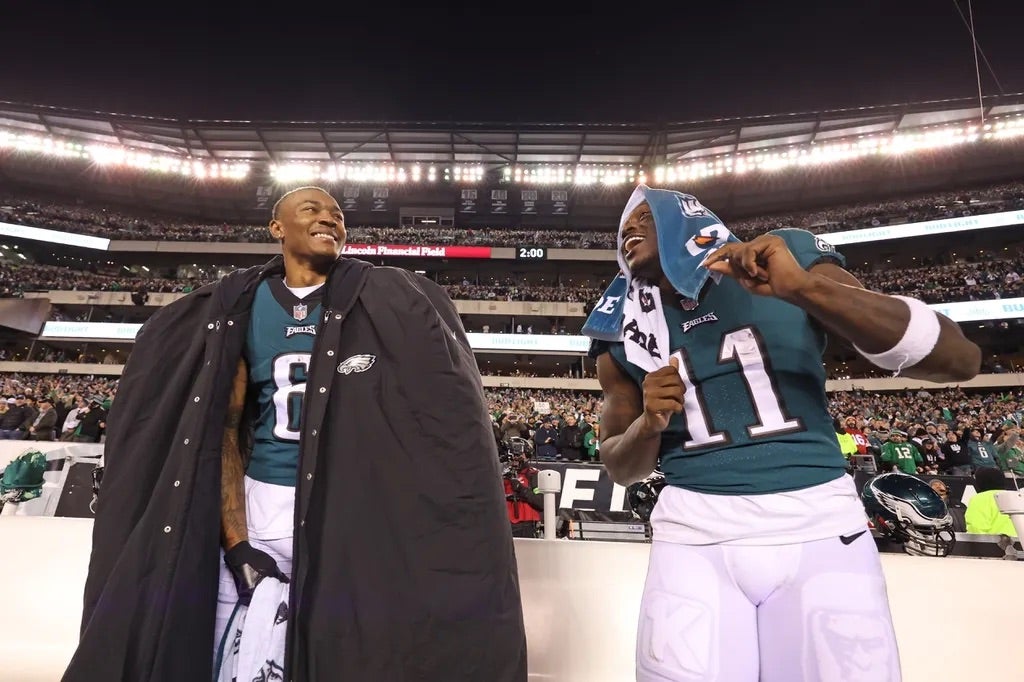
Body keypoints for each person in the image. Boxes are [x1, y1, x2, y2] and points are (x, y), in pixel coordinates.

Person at [62, 186, 527, 682]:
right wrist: (237, 540)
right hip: (262, 502)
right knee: (230, 658)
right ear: (277, 227)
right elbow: (224, 430)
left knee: (339, 653)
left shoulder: (384, 300)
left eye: (339, 215)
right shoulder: (240, 305)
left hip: (346, 513)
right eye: (313, 209)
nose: (330, 220)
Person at [586, 185, 981, 681]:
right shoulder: (618, 323)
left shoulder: (781, 256)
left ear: (686, 218)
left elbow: (958, 359)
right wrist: (648, 425)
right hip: (694, 533)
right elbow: (621, 467)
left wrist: (805, 289)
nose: (628, 231)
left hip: (818, 522)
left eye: (643, 217)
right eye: (622, 228)